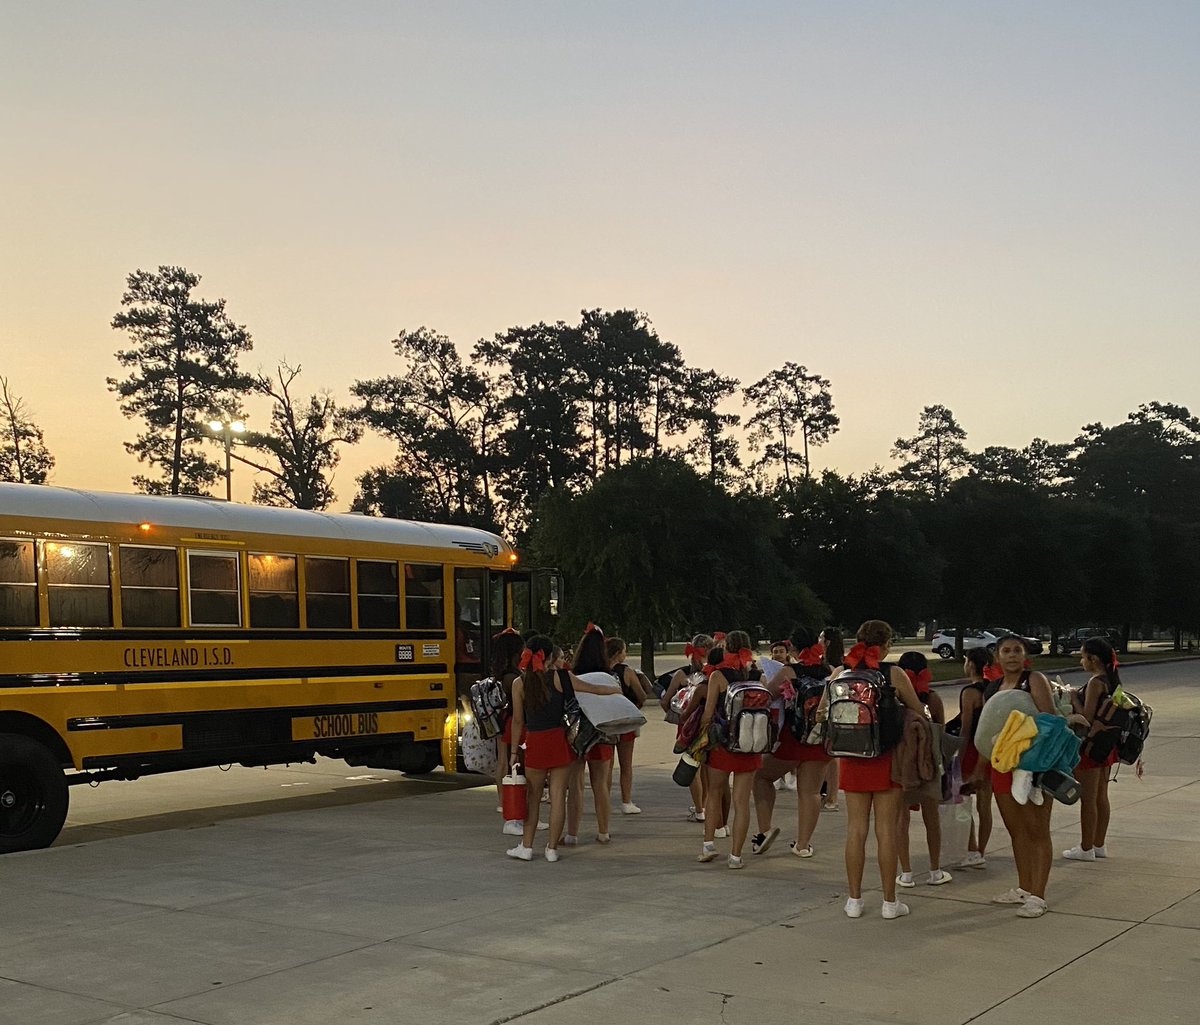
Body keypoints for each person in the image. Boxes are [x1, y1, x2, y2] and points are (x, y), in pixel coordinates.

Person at [834, 620, 925, 920]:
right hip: (886, 757)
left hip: (851, 756)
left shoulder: (841, 673)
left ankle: (854, 900)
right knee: (886, 830)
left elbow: (824, 711)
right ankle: (889, 901)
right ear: (886, 645)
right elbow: (918, 710)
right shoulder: (893, 673)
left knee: (855, 830)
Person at [505, 637, 620, 862]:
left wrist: (512, 753)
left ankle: (526, 847)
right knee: (558, 797)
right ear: (550, 657)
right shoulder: (562, 677)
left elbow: (518, 721)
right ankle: (551, 849)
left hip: (535, 743)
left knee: (533, 798)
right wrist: (614, 691)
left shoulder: (520, 683)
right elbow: (592, 689)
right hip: (559, 742)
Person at [986, 634, 1057, 918]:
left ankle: (1039, 895)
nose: (1012, 655)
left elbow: (1049, 719)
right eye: (1006, 650)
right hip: (1002, 766)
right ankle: (1024, 887)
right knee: (1017, 830)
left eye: (1017, 650)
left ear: (1025, 654)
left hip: (1033, 766)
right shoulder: (992, 687)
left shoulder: (1034, 680)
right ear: (997, 656)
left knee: (1037, 829)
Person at [750, 626, 831, 860]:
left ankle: (765, 830)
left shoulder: (789, 672)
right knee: (811, 792)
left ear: (793, 648)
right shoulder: (828, 671)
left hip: (793, 738)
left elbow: (767, 695)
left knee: (762, 776)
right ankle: (803, 844)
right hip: (820, 738)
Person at [697, 630, 765, 867]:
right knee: (742, 801)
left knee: (715, 793)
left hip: (723, 744)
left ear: (726, 648)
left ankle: (708, 845)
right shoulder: (758, 675)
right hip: (751, 743)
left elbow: (708, 715)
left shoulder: (718, 675)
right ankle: (736, 856)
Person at [894, 651, 951, 888]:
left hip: (902, 764)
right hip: (928, 763)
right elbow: (941, 731)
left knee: (900, 819)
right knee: (932, 819)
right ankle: (934, 869)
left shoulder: (895, 699)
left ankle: (906, 872)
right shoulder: (933, 699)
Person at [1064, 636, 1122, 861]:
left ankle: (1085, 848)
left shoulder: (1096, 682)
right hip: (1106, 746)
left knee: (1087, 799)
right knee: (1101, 797)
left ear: (1093, 659)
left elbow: (1086, 717)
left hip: (1089, 747)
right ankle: (1099, 845)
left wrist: (1072, 698)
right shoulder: (1111, 680)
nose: (1081, 661)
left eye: (1082, 657)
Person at [564, 623, 616, 844]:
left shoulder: (572, 675)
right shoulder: (609, 676)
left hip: (576, 734)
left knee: (575, 785)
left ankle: (572, 834)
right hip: (603, 733)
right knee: (600, 784)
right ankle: (603, 832)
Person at [661, 634, 714, 821]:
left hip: (688, 725)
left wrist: (675, 713)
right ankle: (706, 805)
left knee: (693, 767)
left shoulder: (682, 674)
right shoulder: (715, 674)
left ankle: (699, 810)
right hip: (710, 724)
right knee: (708, 766)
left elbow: (665, 700)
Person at [956, 646, 995, 868]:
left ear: (971, 664)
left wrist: (959, 756)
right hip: (989, 750)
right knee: (985, 805)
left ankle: (971, 850)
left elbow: (966, 727)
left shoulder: (969, 692)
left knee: (965, 802)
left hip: (972, 748)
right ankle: (982, 849)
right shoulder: (993, 689)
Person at [491, 628, 530, 835]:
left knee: (504, 764)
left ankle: (505, 805)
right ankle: (513, 810)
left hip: (503, 721)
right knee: (514, 766)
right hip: (514, 723)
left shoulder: (500, 671)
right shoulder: (512, 676)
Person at [605, 636, 649, 815]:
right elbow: (642, 695)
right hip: (625, 721)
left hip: (606, 720)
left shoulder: (601, 671)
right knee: (626, 764)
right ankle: (626, 800)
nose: (626, 654)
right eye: (624, 650)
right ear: (618, 653)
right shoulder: (627, 672)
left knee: (606, 765)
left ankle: (604, 799)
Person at [819, 627, 844, 811]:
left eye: (820, 638)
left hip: (832, 711)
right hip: (828, 711)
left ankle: (832, 796)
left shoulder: (836, 665)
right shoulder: (824, 661)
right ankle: (826, 792)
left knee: (832, 756)